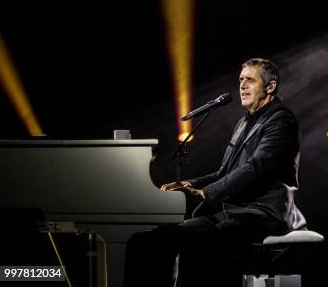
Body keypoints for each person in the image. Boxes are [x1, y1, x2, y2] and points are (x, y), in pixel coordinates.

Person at [124, 58, 306, 287]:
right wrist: (188, 184)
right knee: (154, 240)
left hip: (263, 214)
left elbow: (256, 167)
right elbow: (225, 172)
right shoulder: (243, 123)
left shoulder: (281, 120)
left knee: (200, 246)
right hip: (232, 211)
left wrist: (205, 193)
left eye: (250, 80)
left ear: (270, 87)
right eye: (241, 80)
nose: (242, 85)